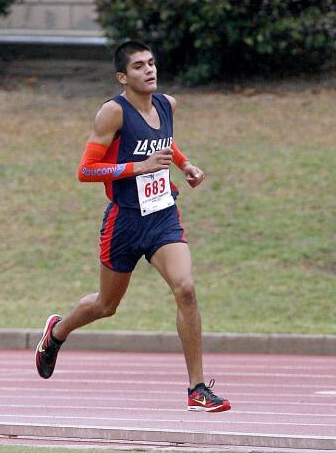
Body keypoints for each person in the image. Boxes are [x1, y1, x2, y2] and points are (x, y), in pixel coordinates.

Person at [35, 39, 231, 413]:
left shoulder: (166, 104)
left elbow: (163, 144)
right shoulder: (112, 113)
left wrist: (185, 164)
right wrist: (135, 168)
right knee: (106, 305)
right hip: (124, 221)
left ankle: (197, 388)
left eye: (152, 63)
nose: (150, 70)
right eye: (140, 66)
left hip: (162, 216)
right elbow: (86, 170)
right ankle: (58, 332)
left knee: (186, 289)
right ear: (123, 77)